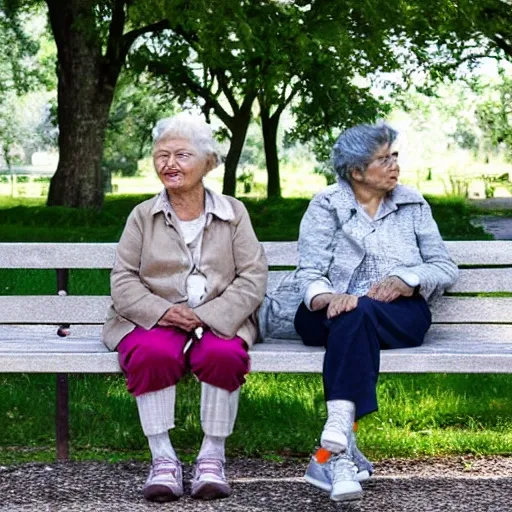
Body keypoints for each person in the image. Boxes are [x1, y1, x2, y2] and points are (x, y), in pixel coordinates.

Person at [264, 122, 458, 502]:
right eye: (383, 159)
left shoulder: (412, 204)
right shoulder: (326, 205)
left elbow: (443, 266)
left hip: (397, 314)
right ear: (355, 171)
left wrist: (408, 279)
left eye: (395, 156)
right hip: (329, 313)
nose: (394, 165)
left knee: (358, 315)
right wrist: (325, 298)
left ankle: (333, 451)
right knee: (351, 317)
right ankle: (337, 451)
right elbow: (309, 273)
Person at [102, 113, 268, 502]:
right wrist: (162, 312)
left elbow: (252, 277)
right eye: (162, 156)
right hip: (154, 318)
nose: (169, 164)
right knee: (151, 352)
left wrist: (208, 316)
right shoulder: (143, 215)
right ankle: (163, 460)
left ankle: (212, 457)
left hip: (219, 316)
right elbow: (123, 279)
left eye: (181, 155)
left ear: (208, 162)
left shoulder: (233, 213)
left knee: (224, 354)